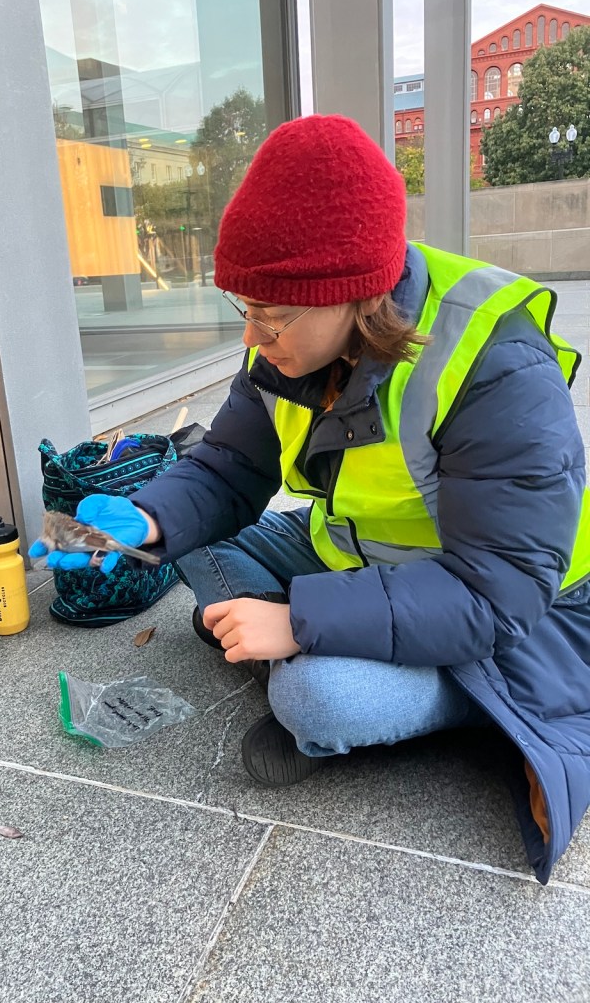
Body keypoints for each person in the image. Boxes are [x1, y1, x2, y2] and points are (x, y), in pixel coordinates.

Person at [29, 114, 590, 885]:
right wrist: (152, 517)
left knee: (317, 699)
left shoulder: (496, 362)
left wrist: (297, 621)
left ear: (353, 295)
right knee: (201, 558)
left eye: (271, 313)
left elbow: (499, 592)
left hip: (510, 609)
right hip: (358, 552)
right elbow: (227, 466)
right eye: (245, 308)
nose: (254, 334)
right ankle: (320, 642)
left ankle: (465, 702)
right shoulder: (293, 342)